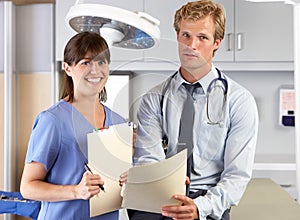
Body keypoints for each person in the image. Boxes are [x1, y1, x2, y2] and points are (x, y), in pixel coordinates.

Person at [126, 1, 259, 219]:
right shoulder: (153, 100)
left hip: (207, 201)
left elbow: (236, 176)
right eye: (186, 35)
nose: (191, 45)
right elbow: (148, 158)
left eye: (202, 38)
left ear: (217, 42)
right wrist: (157, 182)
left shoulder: (238, 101)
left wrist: (200, 207)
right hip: (159, 199)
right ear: (177, 36)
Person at [20, 31, 126, 219]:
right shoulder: (52, 121)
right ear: (67, 68)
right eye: (85, 63)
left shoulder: (119, 123)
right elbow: (28, 187)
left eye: (101, 62)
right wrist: (77, 191)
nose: (95, 70)